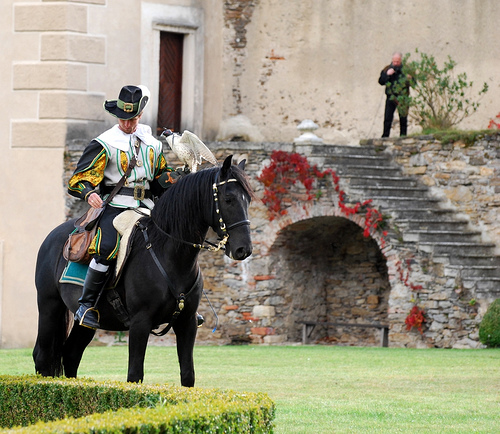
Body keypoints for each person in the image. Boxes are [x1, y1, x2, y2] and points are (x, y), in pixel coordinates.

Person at [68, 85, 179, 330]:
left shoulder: (152, 143)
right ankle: (86, 305)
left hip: (148, 207)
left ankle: (183, 304)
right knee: (107, 246)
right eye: (123, 119)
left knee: (176, 241)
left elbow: (158, 178)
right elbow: (78, 179)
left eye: (132, 119)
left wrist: (173, 177)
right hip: (116, 205)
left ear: (140, 116)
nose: (127, 124)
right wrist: (89, 193)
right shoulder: (105, 143)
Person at [378, 52, 411, 137]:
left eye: (398, 62)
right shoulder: (386, 69)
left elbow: (414, 83)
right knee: (387, 118)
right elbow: (381, 81)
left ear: (401, 61)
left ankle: (403, 136)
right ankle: (385, 136)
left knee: (403, 118)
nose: (396, 63)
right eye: (394, 61)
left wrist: (409, 78)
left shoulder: (406, 70)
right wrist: (387, 75)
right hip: (391, 97)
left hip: (403, 98)